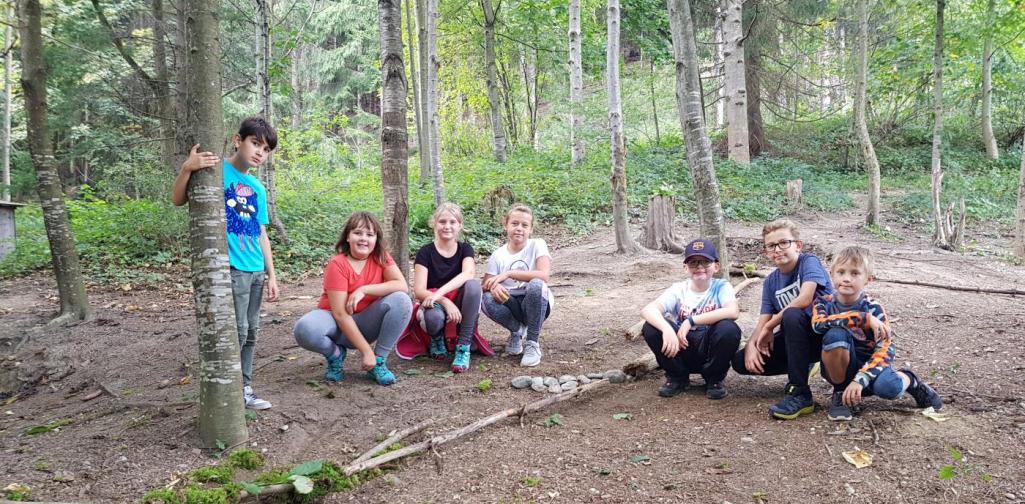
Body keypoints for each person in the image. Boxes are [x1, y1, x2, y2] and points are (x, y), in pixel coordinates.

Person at [171, 117, 280, 410]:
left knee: (253, 331)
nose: (260, 152)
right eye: (255, 143)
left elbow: (261, 232)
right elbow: (178, 200)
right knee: (238, 329)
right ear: (238, 140)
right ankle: (232, 389)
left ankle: (245, 387)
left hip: (256, 269)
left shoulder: (256, 186)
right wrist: (187, 168)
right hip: (232, 269)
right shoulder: (217, 173)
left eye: (266, 149)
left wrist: (271, 274)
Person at [813, 246, 943, 421]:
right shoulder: (823, 303)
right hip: (840, 366)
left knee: (889, 388)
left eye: (854, 273)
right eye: (841, 272)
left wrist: (860, 379)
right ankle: (841, 392)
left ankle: (910, 380)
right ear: (831, 274)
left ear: (868, 279)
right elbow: (818, 325)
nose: (846, 279)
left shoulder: (874, 308)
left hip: (870, 366)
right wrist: (861, 318)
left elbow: (886, 348)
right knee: (835, 335)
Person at [292, 212, 412, 386]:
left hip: (366, 322)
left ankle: (378, 362)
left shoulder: (381, 257)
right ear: (347, 237)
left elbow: (401, 285)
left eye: (370, 235)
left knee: (401, 300)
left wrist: (364, 289)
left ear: (376, 239)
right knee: (305, 329)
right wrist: (365, 351)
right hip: (335, 324)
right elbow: (340, 314)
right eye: (358, 233)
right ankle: (335, 354)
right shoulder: (338, 264)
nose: (364, 238)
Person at [731, 219, 833, 420]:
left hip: (823, 336)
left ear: (798, 245)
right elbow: (762, 321)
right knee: (740, 361)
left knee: (792, 314)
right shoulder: (771, 281)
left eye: (783, 243)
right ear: (766, 251)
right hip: (794, 341)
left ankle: (800, 392)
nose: (777, 249)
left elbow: (804, 299)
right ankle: (803, 366)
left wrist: (770, 327)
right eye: (771, 245)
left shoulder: (809, 262)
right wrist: (752, 344)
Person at [640, 239, 741, 400]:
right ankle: (677, 377)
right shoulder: (679, 289)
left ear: (716, 266)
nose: (700, 267)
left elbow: (732, 311)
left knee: (728, 328)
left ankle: (714, 379)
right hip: (680, 348)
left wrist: (690, 321)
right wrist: (666, 329)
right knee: (651, 327)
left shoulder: (722, 286)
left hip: (709, 347)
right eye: (694, 263)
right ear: (685, 268)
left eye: (705, 262)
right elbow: (648, 309)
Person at [412, 203, 483, 373]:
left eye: (452, 222)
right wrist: (443, 300)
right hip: (433, 302)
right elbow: (419, 290)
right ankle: (436, 338)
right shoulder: (425, 252)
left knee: (473, 286)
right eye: (442, 221)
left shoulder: (465, 249)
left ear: (460, 225)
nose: (447, 226)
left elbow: (468, 274)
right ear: (434, 224)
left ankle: (463, 348)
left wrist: (441, 294)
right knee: (434, 318)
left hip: (458, 300)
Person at [482, 204, 553, 367]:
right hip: (510, 303)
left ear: (531, 229)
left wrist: (508, 274)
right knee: (486, 297)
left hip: (535, 302)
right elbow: (485, 284)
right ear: (506, 225)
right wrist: (493, 286)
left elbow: (544, 275)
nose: (519, 228)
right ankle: (517, 331)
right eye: (514, 224)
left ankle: (532, 344)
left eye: (524, 225)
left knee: (536, 284)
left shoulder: (537, 244)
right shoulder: (498, 255)